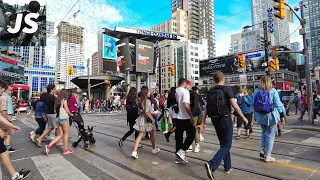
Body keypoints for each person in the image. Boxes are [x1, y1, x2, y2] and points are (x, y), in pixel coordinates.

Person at [202, 71, 248, 180]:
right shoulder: (227, 89)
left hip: (214, 119)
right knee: (227, 145)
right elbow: (235, 106)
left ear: (214, 80)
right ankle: (212, 164)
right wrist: (243, 117)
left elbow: (207, 108)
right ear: (223, 79)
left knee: (223, 144)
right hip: (225, 118)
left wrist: (203, 121)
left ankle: (228, 167)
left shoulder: (210, 91)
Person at [0, 82, 31, 180]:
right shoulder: (3, 98)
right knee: (4, 152)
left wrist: (12, 125)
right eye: (2, 88)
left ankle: (15, 175)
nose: (3, 91)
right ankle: (15, 175)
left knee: (4, 152)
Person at [254, 75, 285, 162]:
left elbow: (254, 104)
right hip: (271, 116)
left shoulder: (256, 91)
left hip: (260, 116)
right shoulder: (273, 91)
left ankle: (263, 150)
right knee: (270, 135)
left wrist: (255, 115)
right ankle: (268, 156)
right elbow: (278, 105)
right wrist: (282, 116)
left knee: (264, 132)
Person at [131, 86, 160, 159]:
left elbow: (144, 111)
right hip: (146, 120)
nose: (150, 93)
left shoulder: (140, 101)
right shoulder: (147, 101)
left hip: (141, 119)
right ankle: (154, 149)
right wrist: (152, 119)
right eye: (149, 91)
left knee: (140, 135)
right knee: (152, 134)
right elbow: (147, 112)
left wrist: (152, 114)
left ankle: (134, 152)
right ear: (146, 93)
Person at [173, 79, 196, 163]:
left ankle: (178, 157)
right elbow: (186, 105)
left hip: (176, 117)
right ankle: (182, 150)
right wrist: (191, 116)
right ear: (185, 84)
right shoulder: (185, 92)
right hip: (184, 117)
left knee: (179, 137)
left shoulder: (175, 91)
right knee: (192, 133)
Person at [45, 89, 74, 155]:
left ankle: (49, 145)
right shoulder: (64, 100)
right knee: (66, 134)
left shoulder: (57, 100)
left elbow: (55, 111)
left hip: (58, 118)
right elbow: (67, 110)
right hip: (64, 119)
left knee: (60, 134)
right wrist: (71, 114)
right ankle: (65, 150)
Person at [0, 84, 17, 152]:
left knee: (5, 132)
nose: (11, 91)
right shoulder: (4, 97)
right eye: (10, 90)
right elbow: (4, 110)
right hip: (6, 116)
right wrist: (6, 119)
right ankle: (7, 147)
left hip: (6, 116)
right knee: (8, 132)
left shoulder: (6, 96)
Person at [188, 86, 204, 153]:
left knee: (190, 130)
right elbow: (202, 105)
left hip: (190, 114)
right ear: (196, 90)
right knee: (195, 130)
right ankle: (196, 146)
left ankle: (190, 145)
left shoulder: (188, 94)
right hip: (198, 114)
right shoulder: (198, 96)